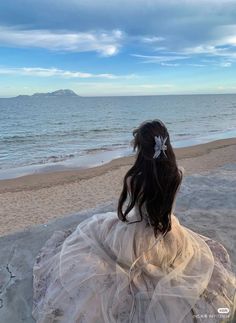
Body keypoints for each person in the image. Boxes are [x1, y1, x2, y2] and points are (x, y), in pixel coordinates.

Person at [32, 119, 235, 323]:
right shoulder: (177, 174)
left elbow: (127, 212)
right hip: (167, 232)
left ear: (142, 150)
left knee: (97, 237)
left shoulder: (133, 179)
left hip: (134, 238)